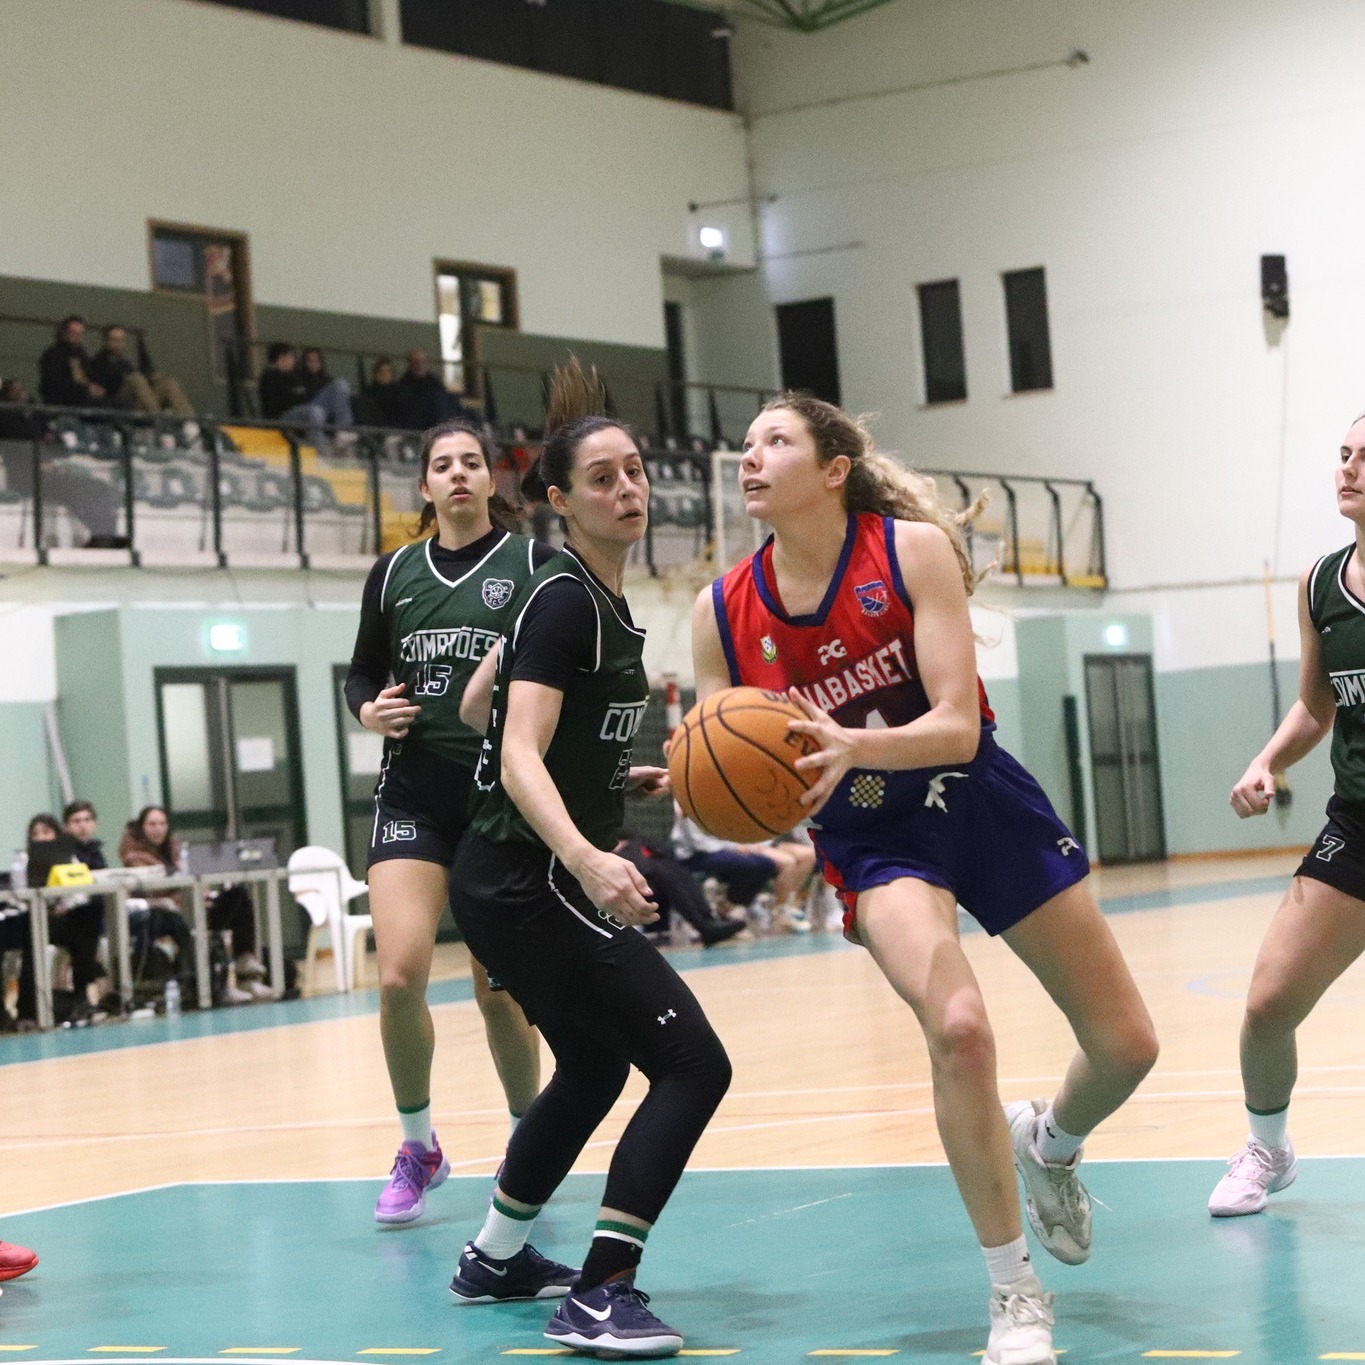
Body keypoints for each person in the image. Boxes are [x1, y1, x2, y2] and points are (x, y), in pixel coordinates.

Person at [690, 394, 1158, 1365]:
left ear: (833, 469)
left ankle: (1050, 1143)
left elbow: (956, 724)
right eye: (744, 444)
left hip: (977, 797)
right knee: (960, 1028)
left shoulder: (909, 552)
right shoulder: (720, 611)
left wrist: (849, 742)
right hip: (872, 838)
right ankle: (1014, 1292)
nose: (750, 457)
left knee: (1126, 1046)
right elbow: (729, 758)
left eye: (775, 440)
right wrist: (700, 778)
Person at [444, 360, 731, 1358]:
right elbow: (512, 748)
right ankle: (601, 1293)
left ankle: (493, 1256)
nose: (628, 488)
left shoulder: (582, 599)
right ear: (561, 502)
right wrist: (587, 852)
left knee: (597, 1065)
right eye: (602, 478)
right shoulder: (566, 600)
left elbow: (478, 706)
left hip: (508, 878)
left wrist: (608, 771)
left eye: (635, 471)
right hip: (529, 879)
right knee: (693, 1065)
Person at [345, 418, 552, 1226]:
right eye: (443, 463)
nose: (459, 473)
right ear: (426, 486)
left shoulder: (533, 566)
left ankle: (528, 1138)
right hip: (415, 793)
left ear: (491, 480)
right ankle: (417, 1145)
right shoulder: (394, 572)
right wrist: (369, 708)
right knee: (399, 976)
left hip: (498, 799)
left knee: (497, 991)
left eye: (472, 461)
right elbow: (362, 671)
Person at [1212, 410, 1365, 1217]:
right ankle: (1266, 1147)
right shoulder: (1318, 584)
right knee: (1268, 1004)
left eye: (1364, 457)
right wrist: (1265, 761)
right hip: (1357, 827)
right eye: (1343, 454)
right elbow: (1315, 704)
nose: (1348, 468)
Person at [119, 806, 265, 1004]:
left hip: (195, 907)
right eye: (152, 824)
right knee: (190, 926)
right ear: (141, 827)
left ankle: (245, 963)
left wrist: (204, 893)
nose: (158, 829)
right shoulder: (133, 856)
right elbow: (160, 885)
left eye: (162, 823)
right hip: (166, 916)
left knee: (238, 897)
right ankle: (211, 988)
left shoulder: (177, 850)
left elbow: (191, 876)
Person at [0, 379, 123, 543]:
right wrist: (40, 458)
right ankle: (102, 535)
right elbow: (19, 447)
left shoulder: (34, 414)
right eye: (14, 390)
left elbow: (59, 446)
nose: (21, 393)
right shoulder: (5, 417)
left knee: (96, 487)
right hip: (26, 476)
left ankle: (105, 534)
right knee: (78, 490)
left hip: (51, 472)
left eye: (22, 389)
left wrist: (50, 441)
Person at [23, 813, 110, 1025]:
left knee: (86, 920)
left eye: (46, 832)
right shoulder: (24, 860)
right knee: (32, 936)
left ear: (56, 834)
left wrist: (64, 905)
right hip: (34, 921)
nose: (41, 838)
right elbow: (21, 895)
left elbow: (80, 891)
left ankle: (82, 996)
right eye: (36, 834)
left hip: (63, 918)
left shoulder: (69, 857)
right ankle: (29, 1008)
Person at [670, 805, 814, 932]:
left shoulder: (737, 794)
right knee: (785, 863)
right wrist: (742, 846)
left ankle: (789, 904)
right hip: (705, 851)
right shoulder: (692, 798)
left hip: (755, 842)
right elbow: (702, 843)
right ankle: (779, 912)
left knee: (810, 855)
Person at [614, 832, 745, 947]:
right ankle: (702, 925)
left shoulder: (630, 837)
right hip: (624, 871)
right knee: (662, 873)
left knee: (677, 870)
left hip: (639, 862)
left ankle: (709, 920)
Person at [257, 342, 353, 453]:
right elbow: (276, 404)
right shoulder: (269, 377)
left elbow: (306, 395)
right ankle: (320, 451)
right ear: (282, 357)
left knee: (340, 384)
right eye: (291, 357)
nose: (294, 361)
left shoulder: (295, 375)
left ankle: (343, 432)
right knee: (315, 411)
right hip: (284, 416)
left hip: (305, 407)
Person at [87, 324, 195, 417]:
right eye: (115, 340)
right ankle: (157, 418)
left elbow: (145, 371)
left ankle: (190, 423)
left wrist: (153, 378)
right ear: (106, 341)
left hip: (140, 403)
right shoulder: (99, 361)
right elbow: (111, 384)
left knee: (168, 382)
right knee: (136, 378)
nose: (118, 344)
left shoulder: (124, 363)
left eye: (121, 340)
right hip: (119, 403)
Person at [38, 316, 106, 407]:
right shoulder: (53, 355)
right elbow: (54, 383)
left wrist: (95, 387)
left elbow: (91, 376)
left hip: (83, 402)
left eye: (80, 334)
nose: (77, 337)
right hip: (61, 403)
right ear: (64, 333)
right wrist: (85, 389)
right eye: (73, 333)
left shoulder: (83, 356)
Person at [397, 349, 454, 431]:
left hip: (436, 415)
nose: (420, 364)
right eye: (417, 361)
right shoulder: (404, 382)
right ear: (411, 363)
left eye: (422, 361)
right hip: (418, 418)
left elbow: (443, 394)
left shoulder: (433, 380)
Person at [357, 356, 405, 428]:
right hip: (374, 427)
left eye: (388, 371)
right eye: (382, 371)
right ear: (376, 374)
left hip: (394, 428)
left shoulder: (399, 392)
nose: (385, 374)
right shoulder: (369, 392)